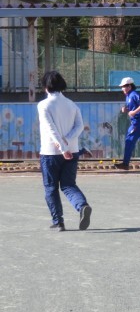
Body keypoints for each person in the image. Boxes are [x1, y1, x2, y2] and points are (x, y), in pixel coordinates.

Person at [37, 71, 92, 232]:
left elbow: (50, 129)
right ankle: (82, 206)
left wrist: (62, 148)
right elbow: (79, 126)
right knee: (68, 185)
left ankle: (58, 222)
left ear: (46, 87)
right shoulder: (71, 104)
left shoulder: (43, 105)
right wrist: (67, 141)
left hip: (50, 153)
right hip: (73, 150)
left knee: (51, 187)